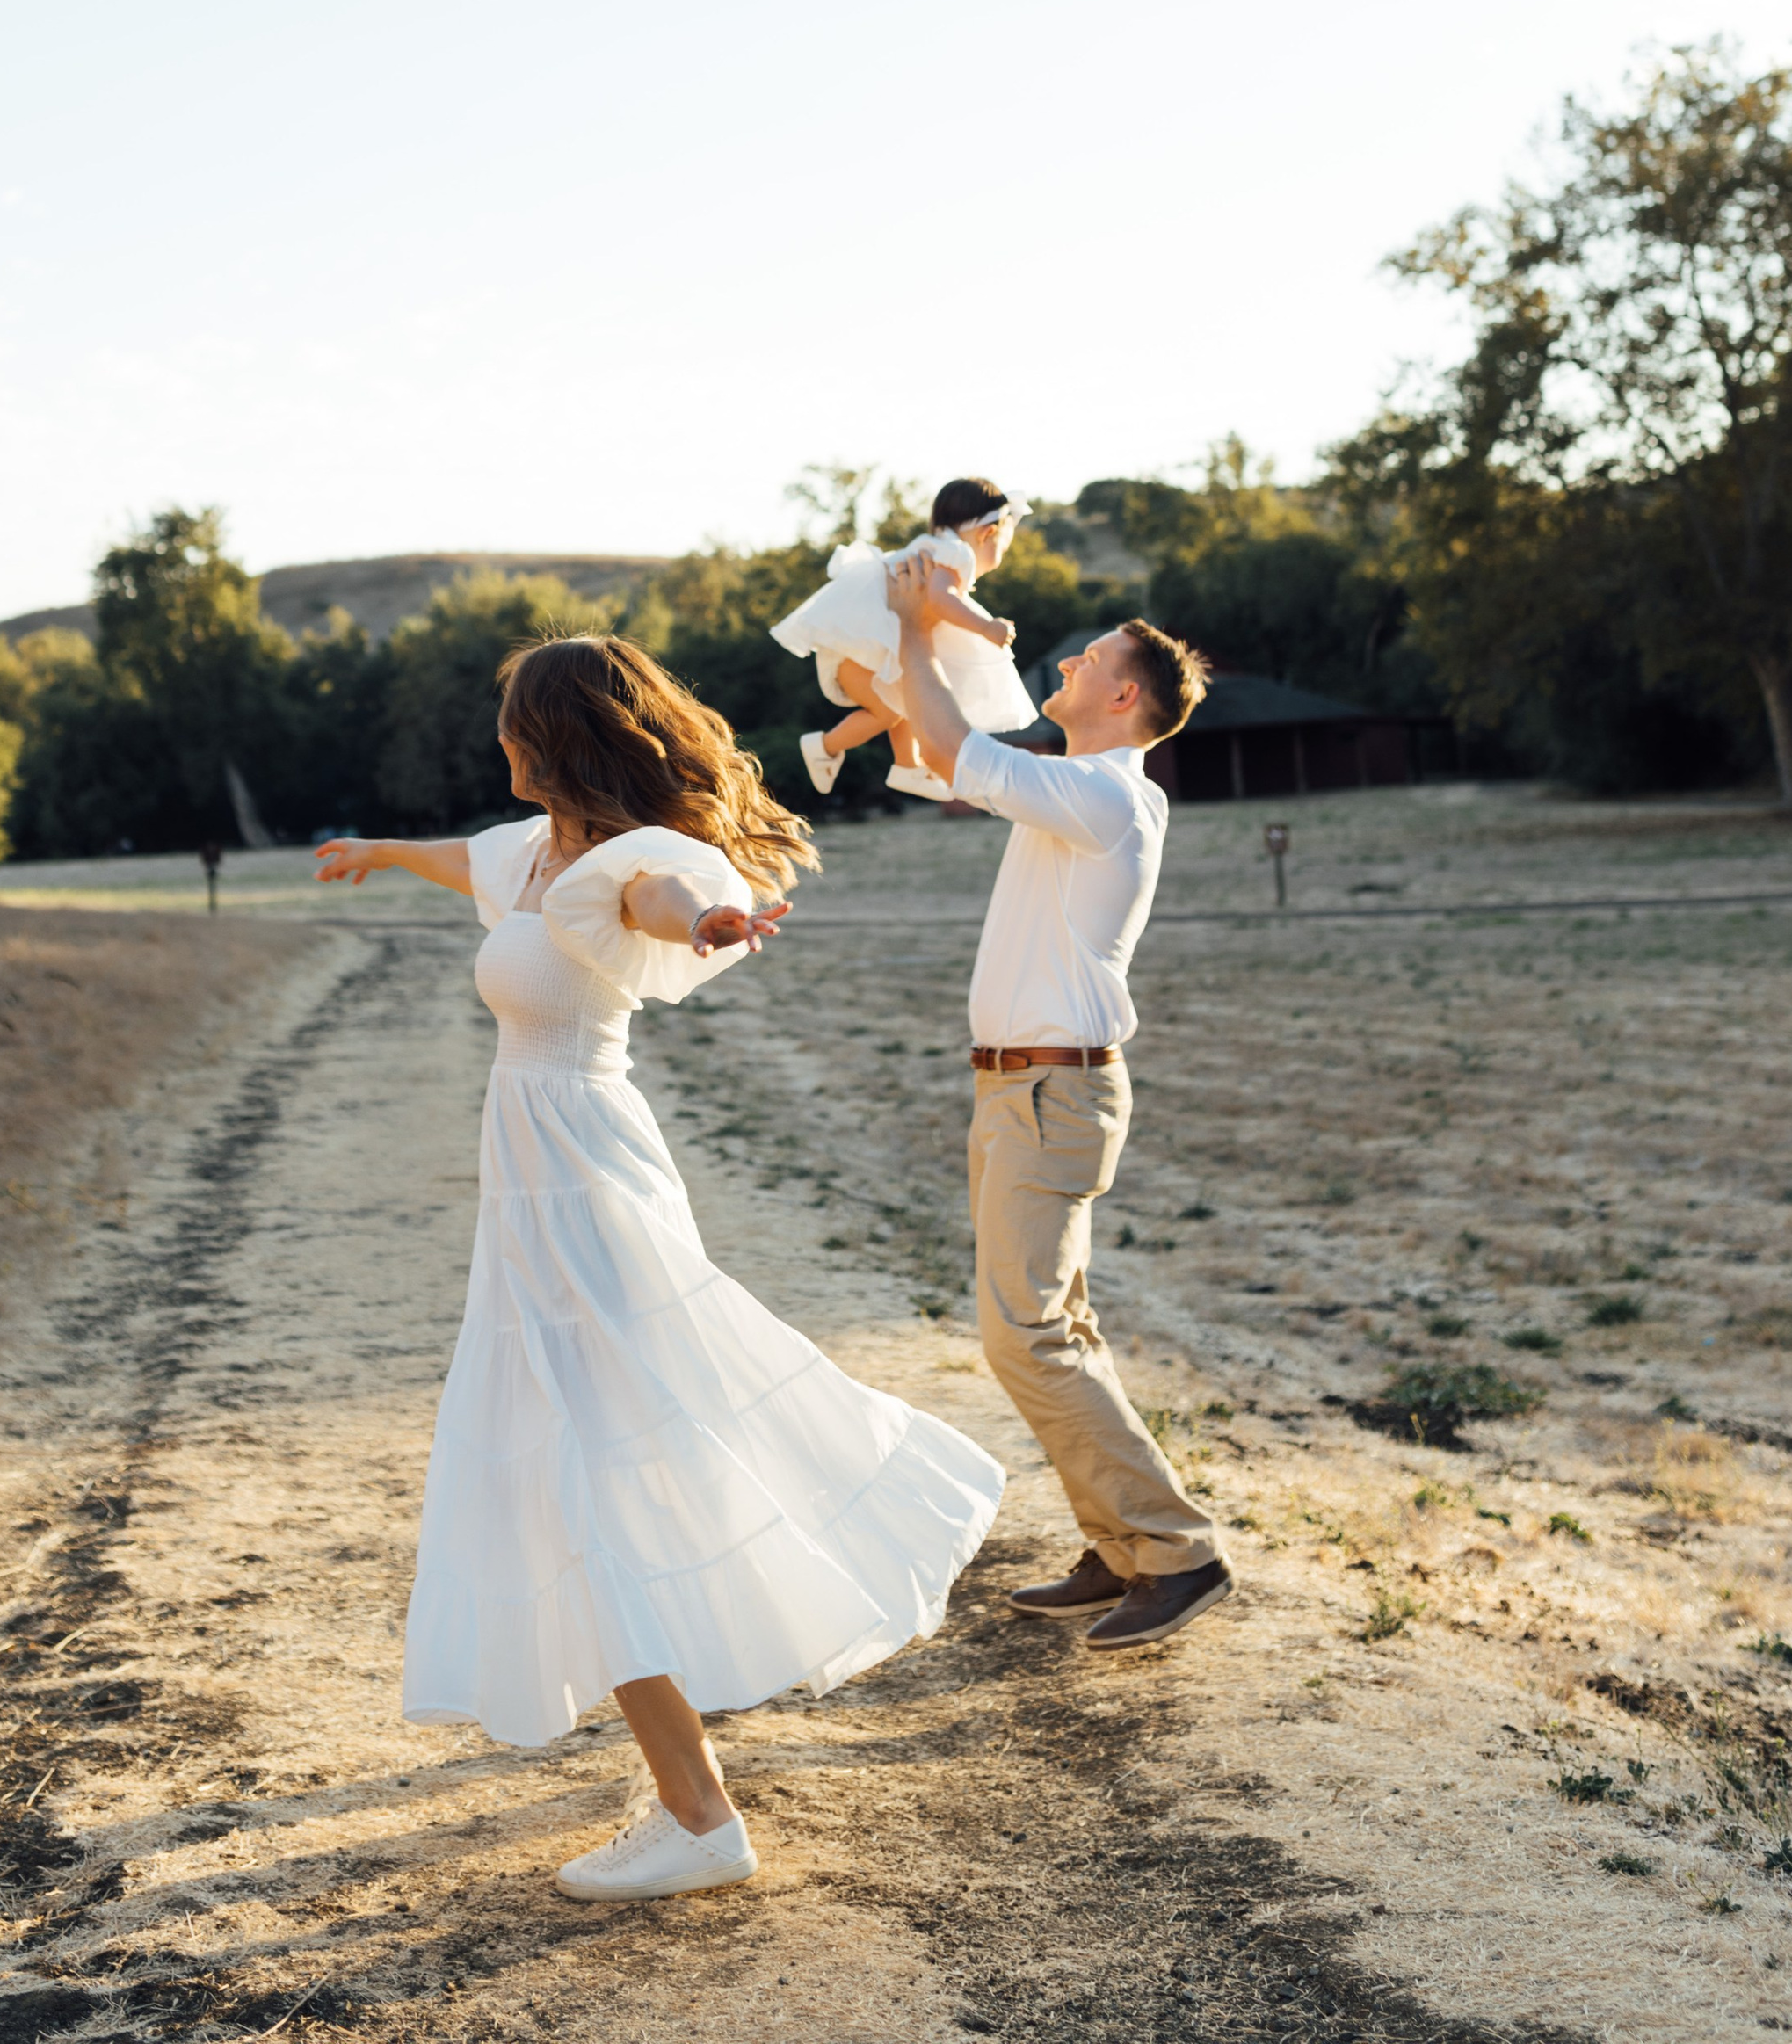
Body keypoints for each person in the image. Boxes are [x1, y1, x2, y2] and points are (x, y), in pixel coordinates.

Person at [315, 634, 1004, 1900]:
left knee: (596, 1471)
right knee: (575, 1470)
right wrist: (374, 852)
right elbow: (459, 858)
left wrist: (720, 915)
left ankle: (697, 1817)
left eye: (513, 726)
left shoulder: (629, 864)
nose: (500, 746)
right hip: (535, 1190)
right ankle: (691, 1803)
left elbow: (671, 905)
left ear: (558, 737)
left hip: (583, 1177)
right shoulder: (533, 853)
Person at [884, 557, 1232, 1653]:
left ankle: (1176, 1553)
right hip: (1023, 1090)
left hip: (1051, 1089)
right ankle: (1122, 1546)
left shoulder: (1106, 793)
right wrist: (905, 652)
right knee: (1055, 1328)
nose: (1067, 663)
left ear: (1125, 696)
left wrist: (913, 620)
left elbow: (952, 748)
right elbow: (930, 755)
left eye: (1087, 660)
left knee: (1023, 1336)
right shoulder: (1066, 788)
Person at [771, 475, 1038, 804]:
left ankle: (907, 766)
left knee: (905, 698)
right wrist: (986, 627)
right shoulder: (957, 554)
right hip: (855, 650)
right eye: (1004, 547)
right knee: (889, 710)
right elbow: (942, 598)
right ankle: (824, 747)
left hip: (856, 645)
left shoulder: (933, 546)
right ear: (988, 533)